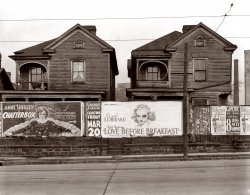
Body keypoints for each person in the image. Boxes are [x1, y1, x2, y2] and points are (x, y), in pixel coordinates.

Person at [3, 106, 81, 137]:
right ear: (38, 114)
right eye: (41, 114)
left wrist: (72, 130)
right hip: (32, 138)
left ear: (46, 114)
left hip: (49, 139)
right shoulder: (33, 122)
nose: (42, 115)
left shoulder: (50, 121)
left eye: (44, 114)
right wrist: (11, 132)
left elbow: (60, 127)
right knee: (19, 135)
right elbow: (22, 127)